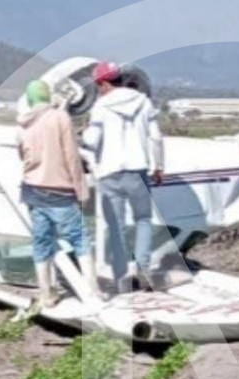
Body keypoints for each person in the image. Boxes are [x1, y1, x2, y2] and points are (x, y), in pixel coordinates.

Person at [81, 61, 164, 293]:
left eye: (98, 85)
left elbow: (90, 141)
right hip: (138, 170)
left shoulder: (101, 106)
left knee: (115, 227)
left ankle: (121, 280)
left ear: (104, 83)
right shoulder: (143, 101)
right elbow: (156, 137)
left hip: (110, 173)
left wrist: (87, 153)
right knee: (143, 220)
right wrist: (158, 166)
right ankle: (144, 268)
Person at [17, 79, 98, 308]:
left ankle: (47, 295)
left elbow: (22, 155)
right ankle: (92, 292)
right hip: (59, 191)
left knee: (42, 243)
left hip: (32, 191)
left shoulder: (22, 123)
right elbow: (72, 157)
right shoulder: (60, 118)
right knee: (80, 239)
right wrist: (81, 190)